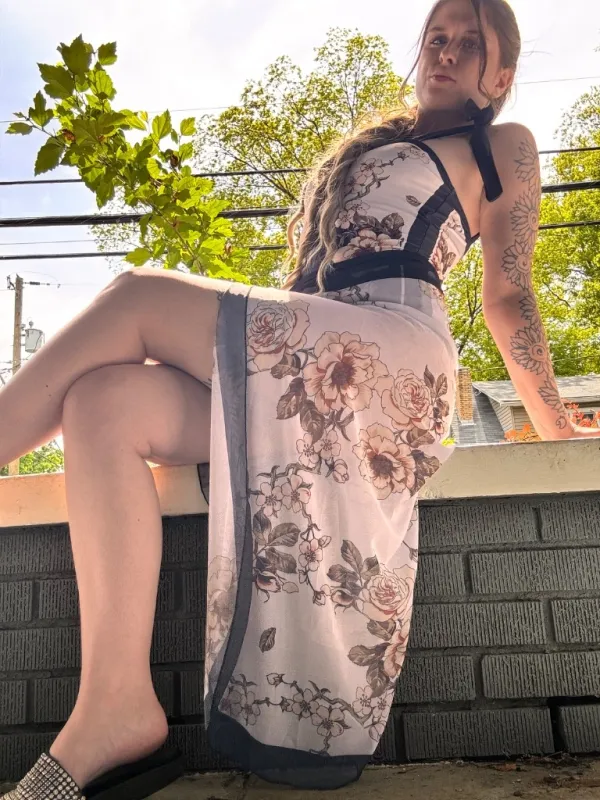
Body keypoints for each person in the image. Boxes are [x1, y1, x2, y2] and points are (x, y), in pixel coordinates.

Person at [1, 0, 599, 797]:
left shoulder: (502, 143)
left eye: (470, 43)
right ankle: (114, 707)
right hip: (316, 356)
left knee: (136, 294)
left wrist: (552, 418)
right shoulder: (376, 146)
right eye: (436, 38)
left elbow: (508, 296)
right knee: (104, 403)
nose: (446, 53)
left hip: (391, 353)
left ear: (502, 76)